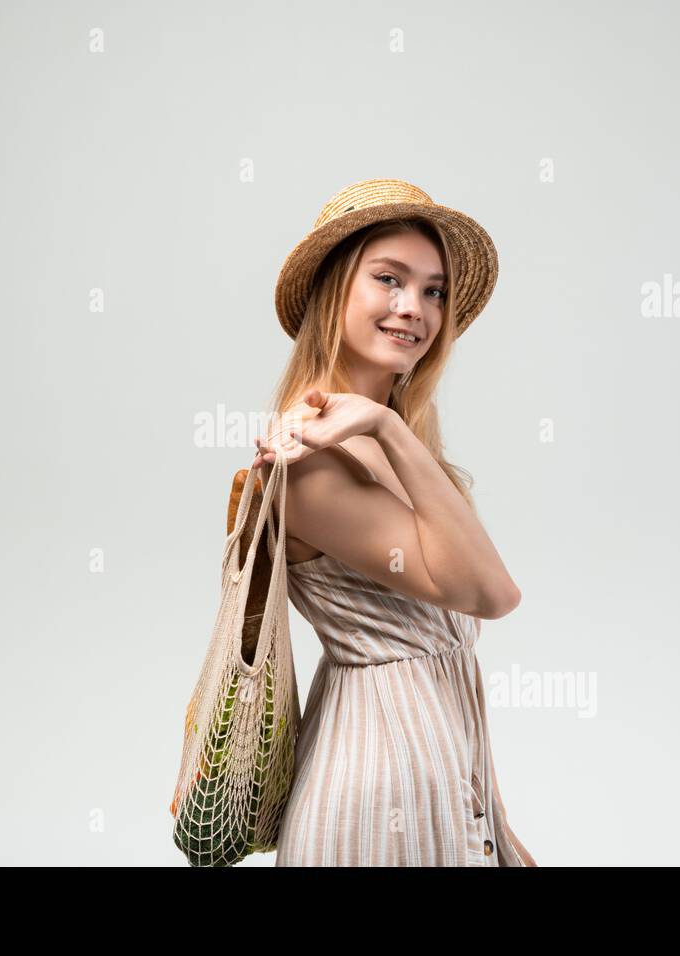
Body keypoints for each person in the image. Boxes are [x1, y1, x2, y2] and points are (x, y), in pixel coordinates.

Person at [252, 178, 537, 866]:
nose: (415, 308)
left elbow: (447, 654)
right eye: (389, 279)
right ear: (335, 292)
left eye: (434, 290)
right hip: (378, 799)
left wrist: (498, 830)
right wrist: (385, 426)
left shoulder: (389, 438)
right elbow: (493, 595)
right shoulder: (309, 461)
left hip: (438, 782)